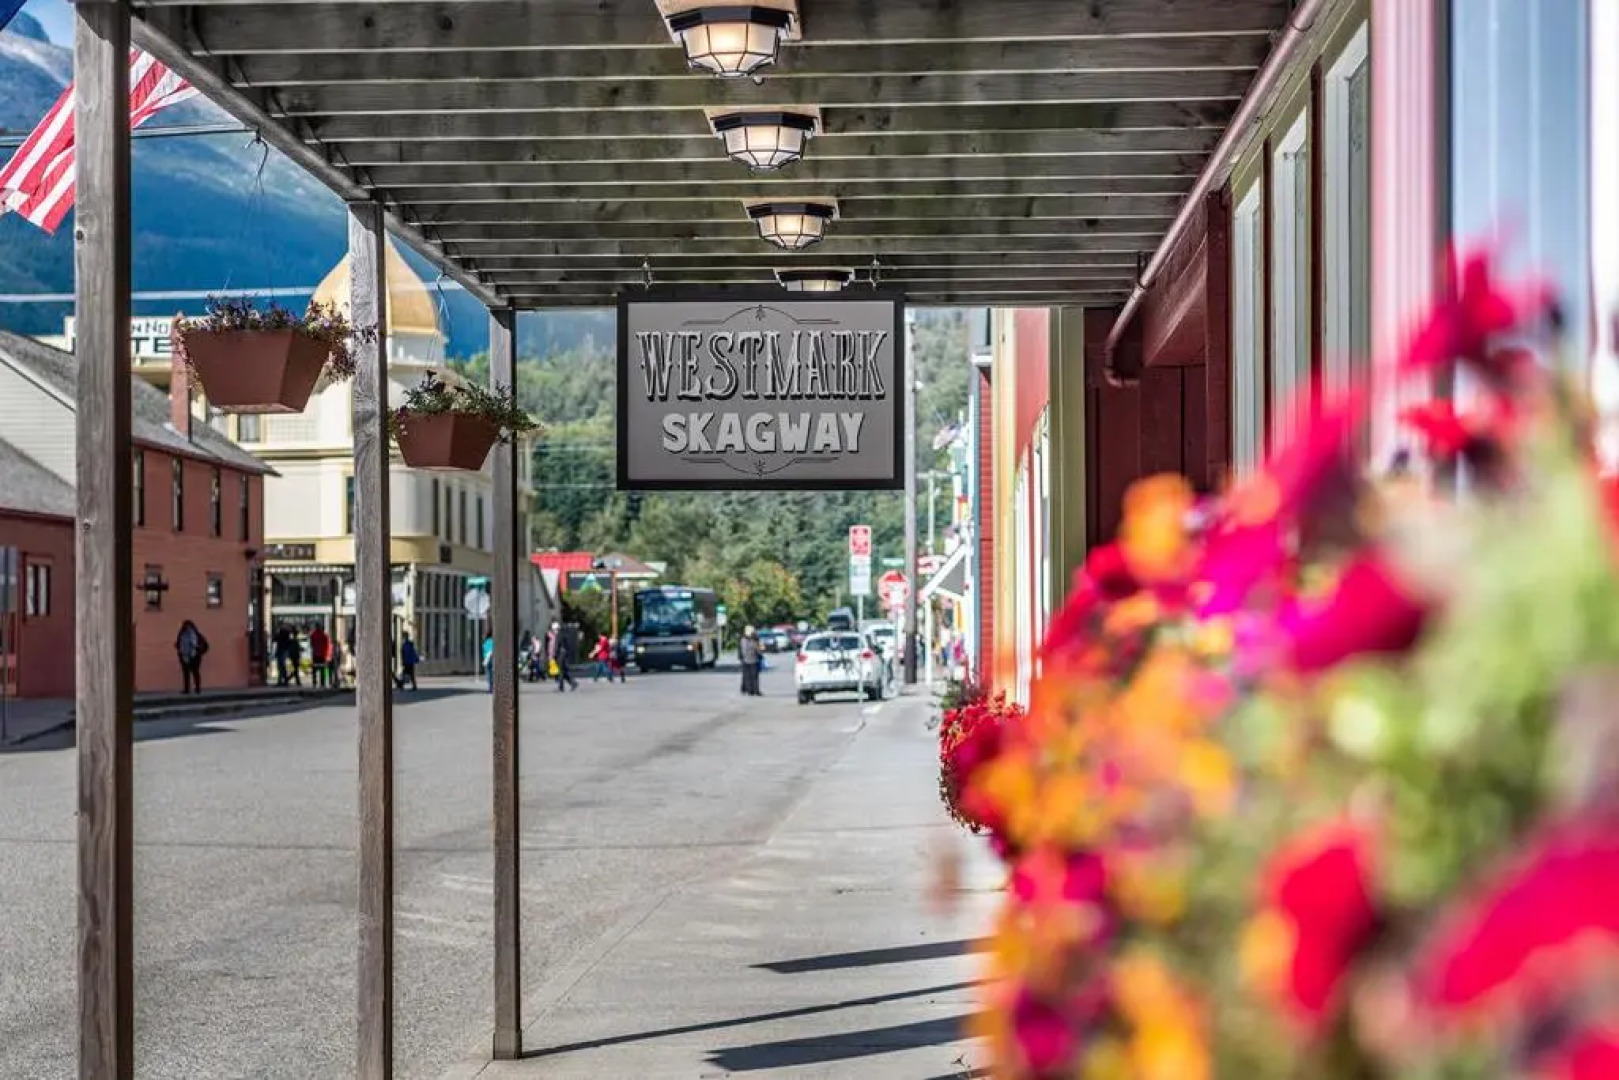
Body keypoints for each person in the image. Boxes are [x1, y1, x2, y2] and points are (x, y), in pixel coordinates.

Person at [175, 619, 209, 694]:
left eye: (189, 627)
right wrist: (180, 651)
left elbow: (205, 645)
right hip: (185, 656)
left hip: (194, 656)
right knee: (186, 673)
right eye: (186, 627)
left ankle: (197, 688)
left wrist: (199, 650)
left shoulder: (197, 635)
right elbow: (178, 644)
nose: (188, 628)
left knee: (194, 672)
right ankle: (187, 689)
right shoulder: (181, 635)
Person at [546, 620, 577, 692]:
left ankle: (561, 687)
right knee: (563, 671)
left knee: (560, 671)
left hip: (560, 655)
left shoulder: (559, 635)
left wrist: (554, 655)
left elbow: (557, 646)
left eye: (553, 629)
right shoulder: (562, 634)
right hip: (563, 654)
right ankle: (573, 683)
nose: (553, 631)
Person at [738, 625, 762, 697]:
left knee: (747, 676)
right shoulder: (754, 640)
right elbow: (758, 649)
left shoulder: (742, 639)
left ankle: (749, 690)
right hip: (753, 660)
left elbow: (740, 650)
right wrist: (760, 655)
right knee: (754, 676)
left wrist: (741, 658)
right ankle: (755, 690)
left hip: (745, 660)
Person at [308, 623, 331, 689]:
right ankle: (322, 683)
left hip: (315, 654)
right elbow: (327, 645)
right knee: (323, 669)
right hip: (322, 655)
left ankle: (314, 682)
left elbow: (311, 644)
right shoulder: (324, 635)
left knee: (314, 669)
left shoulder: (313, 635)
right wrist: (327, 655)